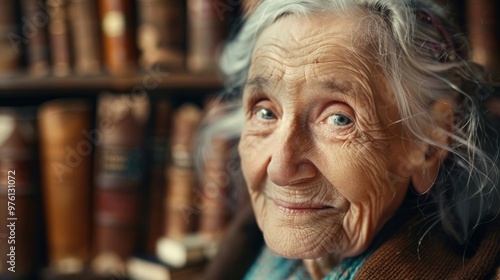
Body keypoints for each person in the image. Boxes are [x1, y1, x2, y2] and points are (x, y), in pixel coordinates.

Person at [199, 0, 500, 278]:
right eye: (265, 113)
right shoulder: (243, 255)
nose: (281, 169)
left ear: (429, 147)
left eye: (339, 119)